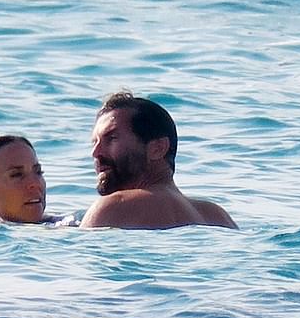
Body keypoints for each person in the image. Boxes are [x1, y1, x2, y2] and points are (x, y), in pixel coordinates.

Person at [80, 91, 238, 230]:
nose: (96, 153)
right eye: (95, 142)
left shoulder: (113, 208)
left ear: (158, 148)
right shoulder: (216, 217)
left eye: (112, 138)